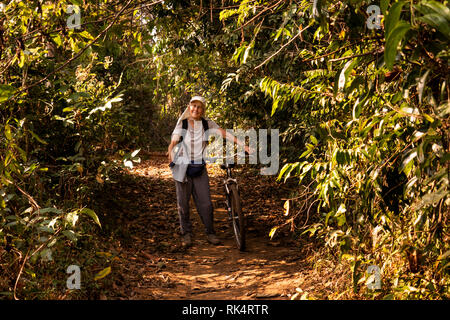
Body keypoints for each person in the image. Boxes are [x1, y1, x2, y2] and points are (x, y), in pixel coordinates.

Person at [167, 96, 252, 247]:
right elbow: (172, 144)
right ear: (189, 107)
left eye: (199, 107)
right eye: (193, 106)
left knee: (206, 204)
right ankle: (186, 234)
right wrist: (172, 161)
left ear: (203, 110)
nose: (196, 109)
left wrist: (243, 146)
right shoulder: (183, 124)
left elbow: (225, 133)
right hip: (182, 168)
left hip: (199, 168)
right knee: (183, 204)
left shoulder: (207, 124)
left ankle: (210, 232)